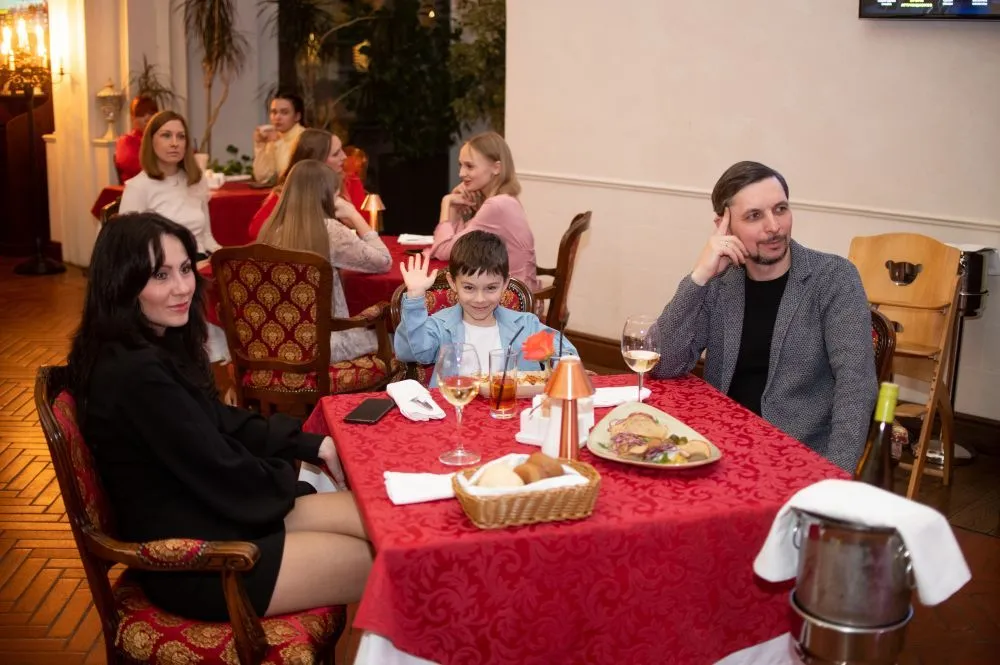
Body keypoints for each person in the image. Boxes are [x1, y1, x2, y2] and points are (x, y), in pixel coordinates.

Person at [67, 212, 372, 621]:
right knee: (389, 560)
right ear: (122, 284)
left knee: (383, 523)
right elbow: (219, 466)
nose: (182, 287)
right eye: (160, 275)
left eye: (185, 269)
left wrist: (310, 444)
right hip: (200, 559)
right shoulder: (135, 374)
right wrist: (287, 480)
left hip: (217, 516)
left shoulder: (145, 348)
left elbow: (218, 419)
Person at [650, 161, 877, 472]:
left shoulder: (833, 278)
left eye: (780, 209)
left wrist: (835, 475)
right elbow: (663, 365)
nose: (774, 227)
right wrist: (699, 276)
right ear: (724, 225)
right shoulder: (720, 280)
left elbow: (856, 385)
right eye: (754, 216)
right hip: (719, 449)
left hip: (796, 458)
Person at [396, 230, 576, 385]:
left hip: (512, 409)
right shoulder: (440, 327)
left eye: (491, 288)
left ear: (505, 284)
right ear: (452, 282)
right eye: (469, 288)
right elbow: (410, 352)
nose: (480, 299)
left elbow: (567, 354)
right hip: (455, 408)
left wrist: (557, 362)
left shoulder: (525, 326)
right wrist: (415, 297)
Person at [257, 159, 391, 361]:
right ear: (329, 196)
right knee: (397, 338)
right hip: (325, 345)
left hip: (276, 345)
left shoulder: (271, 230)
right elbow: (384, 261)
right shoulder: (329, 230)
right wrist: (355, 216)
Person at [426, 132, 540, 292]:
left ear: (496, 168)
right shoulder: (504, 200)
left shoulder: (497, 206)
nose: (461, 173)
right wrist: (455, 208)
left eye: (470, 166)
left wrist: (446, 203)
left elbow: (443, 251)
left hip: (513, 298)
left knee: (423, 295)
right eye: (461, 165)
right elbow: (459, 248)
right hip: (514, 291)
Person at [119, 110, 220, 259]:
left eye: (181, 136)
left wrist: (223, 257)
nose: (174, 143)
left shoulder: (196, 179)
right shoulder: (138, 187)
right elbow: (129, 246)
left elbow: (206, 236)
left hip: (199, 259)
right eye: (166, 135)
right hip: (161, 264)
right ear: (151, 141)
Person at [248, 128, 368, 240]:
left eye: (341, 149)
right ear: (316, 162)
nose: (344, 156)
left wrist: (353, 220)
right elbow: (256, 231)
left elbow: (368, 225)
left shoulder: (351, 182)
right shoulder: (287, 190)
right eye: (336, 154)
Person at [252, 91, 306, 184]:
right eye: (274, 112)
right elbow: (262, 177)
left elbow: (288, 175)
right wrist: (260, 144)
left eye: (284, 113)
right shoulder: (275, 136)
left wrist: (278, 142)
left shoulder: (305, 137)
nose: (277, 117)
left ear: (297, 116)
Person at [114, 95, 158, 183]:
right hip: (138, 188)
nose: (147, 118)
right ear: (132, 117)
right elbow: (139, 169)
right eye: (141, 114)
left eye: (151, 113)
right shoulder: (126, 141)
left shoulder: (159, 139)